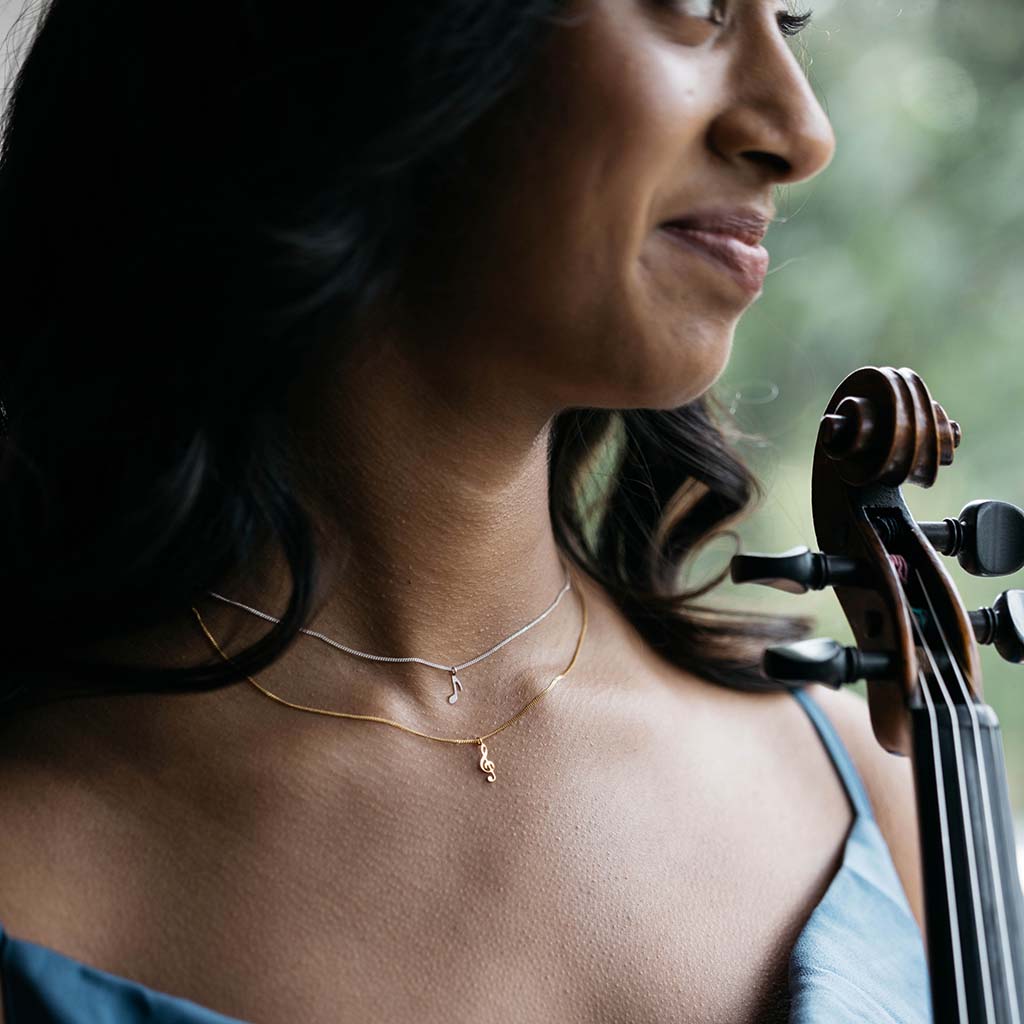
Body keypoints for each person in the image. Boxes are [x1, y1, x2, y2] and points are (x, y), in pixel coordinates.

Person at [0, 0, 932, 1021]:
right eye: (697, 10)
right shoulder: (32, 846)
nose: (799, 131)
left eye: (784, 20)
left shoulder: (873, 790)